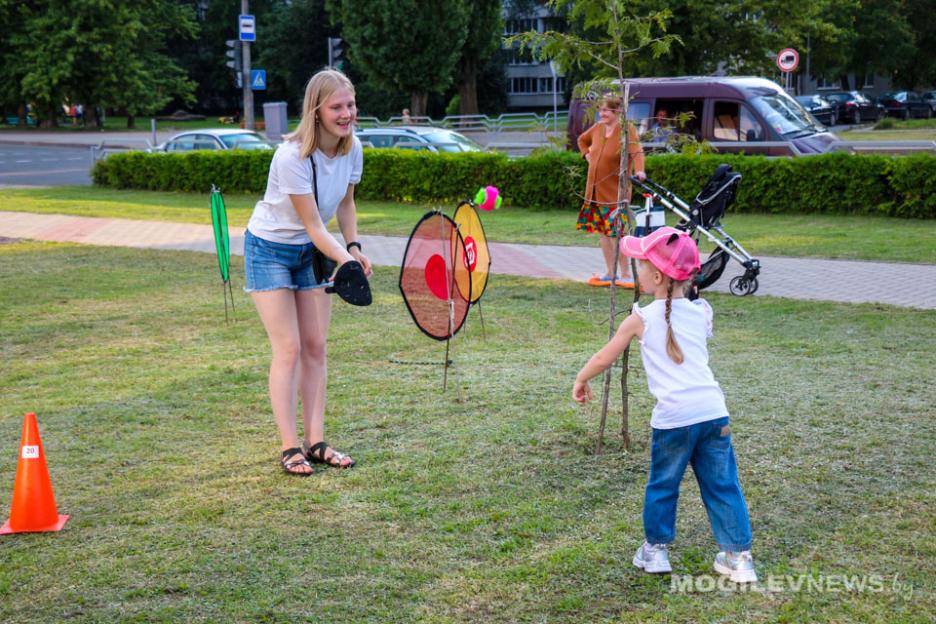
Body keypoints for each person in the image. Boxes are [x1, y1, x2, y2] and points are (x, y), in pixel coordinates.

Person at [572, 227, 757, 584]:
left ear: (656, 277)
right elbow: (686, 311)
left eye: (639, 265)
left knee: (663, 485)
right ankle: (739, 559)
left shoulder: (639, 319)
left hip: (673, 420)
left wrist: (581, 379)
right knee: (723, 485)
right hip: (714, 414)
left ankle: (655, 552)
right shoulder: (703, 311)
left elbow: (603, 357)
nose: (636, 270)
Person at [244, 69, 372, 476]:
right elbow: (314, 225)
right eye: (337, 107)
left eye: (350, 105)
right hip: (270, 250)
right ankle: (289, 447)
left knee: (317, 345)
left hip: (313, 250)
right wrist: (346, 262)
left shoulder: (353, 149)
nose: (346, 113)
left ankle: (316, 442)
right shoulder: (292, 156)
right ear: (316, 111)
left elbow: (346, 205)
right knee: (290, 348)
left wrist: (353, 247)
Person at [577, 94, 646, 288]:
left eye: (606, 110)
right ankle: (610, 271)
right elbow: (581, 140)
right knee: (603, 232)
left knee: (617, 233)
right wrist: (588, 156)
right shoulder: (598, 128)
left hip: (616, 191)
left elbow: (637, 152)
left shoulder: (626, 130)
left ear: (617, 112)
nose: (601, 113)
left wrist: (640, 170)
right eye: (600, 110)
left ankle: (625, 274)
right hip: (595, 191)